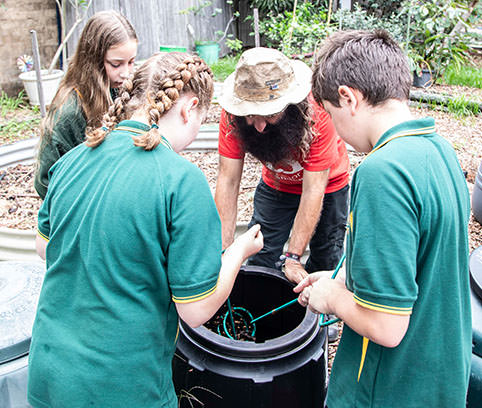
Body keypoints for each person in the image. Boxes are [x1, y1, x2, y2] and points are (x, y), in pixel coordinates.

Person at [28, 52, 263, 408]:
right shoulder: (181, 180)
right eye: (202, 118)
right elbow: (196, 310)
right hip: (121, 385)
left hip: (49, 372)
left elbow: (46, 248)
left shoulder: (72, 160)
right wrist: (237, 253)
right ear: (189, 107)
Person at [296, 29, 472, 407]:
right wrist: (347, 277)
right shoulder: (439, 150)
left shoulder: (382, 172)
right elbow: (419, 262)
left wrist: (332, 297)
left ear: (348, 97)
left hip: (390, 388)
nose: (337, 135)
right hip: (438, 377)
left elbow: (386, 325)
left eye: (330, 114)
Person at [215, 47, 350, 284]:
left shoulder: (317, 112)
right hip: (276, 185)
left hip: (328, 186)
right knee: (261, 254)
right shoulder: (232, 115)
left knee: (325, 256)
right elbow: (228, 179)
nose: (258, 126)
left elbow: (313, 190)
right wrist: (223, 249)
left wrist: (293, 256)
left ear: (291, 105)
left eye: (269, 115)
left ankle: (319, 316)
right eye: (250, 115)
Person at [34, 10, 138, 199]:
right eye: (116, 64)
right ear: (94, 61)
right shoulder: (69, 113)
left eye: (131, 62)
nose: (126, 73)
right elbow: (44, 183)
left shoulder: (119, 89)